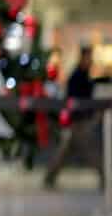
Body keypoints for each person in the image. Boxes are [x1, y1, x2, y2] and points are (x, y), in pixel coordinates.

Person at [44, 45, 105, 189]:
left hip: (79, 119)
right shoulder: (77, 75)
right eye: (89, 57)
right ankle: (105, 175)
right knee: (90, 150)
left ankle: (50, 177)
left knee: (67, 150)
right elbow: (74, 99)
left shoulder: (84, 75)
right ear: (83, 57)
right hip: (78, 120)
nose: (91, 60)